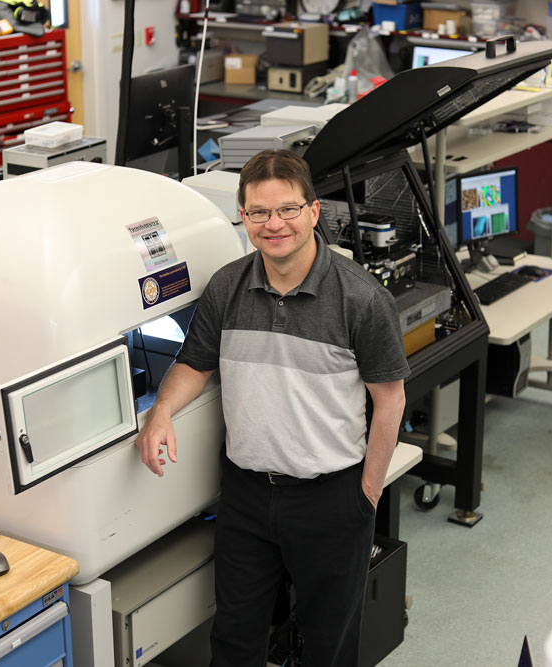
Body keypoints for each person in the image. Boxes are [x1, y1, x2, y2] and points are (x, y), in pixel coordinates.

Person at [136, 149, 409, 667]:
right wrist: (162, 412)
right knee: (235, 641)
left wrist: (366, 495)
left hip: (331, 498)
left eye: (287, 209)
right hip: (246, 496)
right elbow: (195, 363)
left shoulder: (361, 299)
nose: (273, 224)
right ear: (243, 216)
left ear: (313, 212)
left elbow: (390, 399)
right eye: (259, 212)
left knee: (329, 645)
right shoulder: (226, 287)